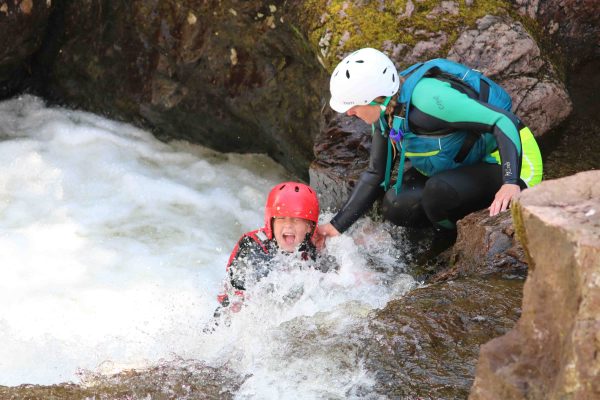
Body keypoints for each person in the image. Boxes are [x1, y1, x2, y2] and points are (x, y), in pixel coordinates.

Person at [318, 48, 543, 239]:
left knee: (437, 192)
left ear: (375, 96)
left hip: (513, 162)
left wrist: (510, 181)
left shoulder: (431, 101)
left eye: (353, 105)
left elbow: (503, 121)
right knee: (397, 204)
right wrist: (335, 226)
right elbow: (376, 172)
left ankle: (449, 242)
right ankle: (451, 222)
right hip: (464, 162)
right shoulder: (387, 112)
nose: (349, 112)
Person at [216, 181, 321, 313]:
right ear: (271, 223)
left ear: (309, 227)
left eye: (296, 219)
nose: (288, 225)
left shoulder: (315, 246)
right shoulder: (253, 247)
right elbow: (235, 303)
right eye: (281, 218)